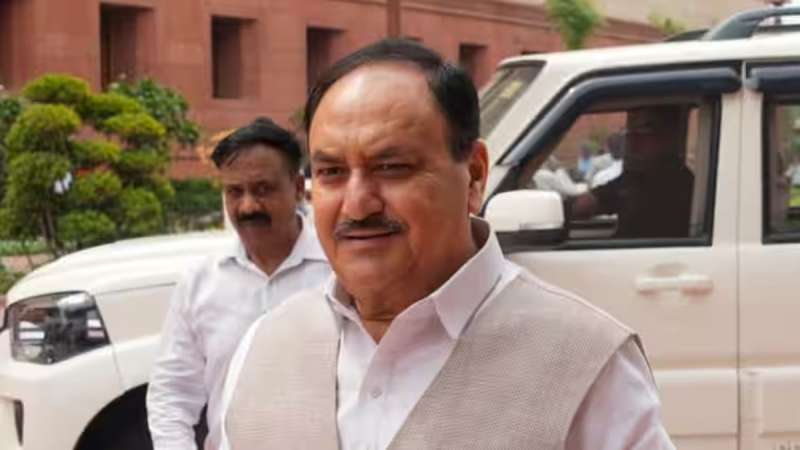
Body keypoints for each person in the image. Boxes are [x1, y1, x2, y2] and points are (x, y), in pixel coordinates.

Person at [219, 39, 674, 450]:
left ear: (474, 175)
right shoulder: (266, 346)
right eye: (332, 173)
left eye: (392, 167)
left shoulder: (584, 365)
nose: (356, 204)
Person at [146, 117, 330, 450]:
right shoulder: (201, 283)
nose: (247, 206)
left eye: (263, 189)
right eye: (234, 192)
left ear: (298, 188)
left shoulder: (339, 273)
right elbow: (171, 394)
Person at [570, 105, 695, 239]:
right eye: (629, 132)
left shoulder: (680, 187)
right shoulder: (637, 177)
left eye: (644, 132)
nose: (632, 141)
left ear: (668, 137)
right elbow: (594, 201)